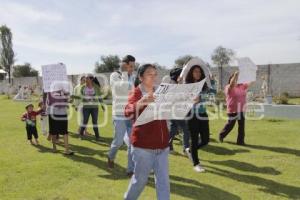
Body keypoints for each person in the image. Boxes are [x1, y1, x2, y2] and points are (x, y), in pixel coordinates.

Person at [124, 64, 170, 200]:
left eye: (155, 74)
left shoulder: (161, 92)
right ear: (141, 77)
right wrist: (141, 102)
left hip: (162, 146)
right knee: (140, 182)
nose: (154, 77)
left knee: (163, 182)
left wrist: (188, 101)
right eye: (150, 74)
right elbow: (127, 111)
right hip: (143, 148)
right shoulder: (136, 92)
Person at [108, 55, 136, 176]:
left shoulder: (133, 77)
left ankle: (130, 169)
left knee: (131, 143)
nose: (132, 69)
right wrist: (124, 73)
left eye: (133, 66)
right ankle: (111, 156)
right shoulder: (115, 75)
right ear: (124, 65)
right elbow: (122, 89)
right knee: (118, 141)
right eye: (130, 66)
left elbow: (132, 93)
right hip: (119, 114)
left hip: (130, 114)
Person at [218, 71, 253, 145]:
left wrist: (251, 74)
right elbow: (231, 84)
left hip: (241, 109)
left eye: (238, 79)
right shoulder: (228, 87)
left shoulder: (242, 86)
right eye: (234, 79)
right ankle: (221, 135)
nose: (236, 80)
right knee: (231, 124)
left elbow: (250, 82)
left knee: (241, 126)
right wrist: (235, 75)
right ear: (231, 79)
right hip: (232, 110)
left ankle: (240, 141)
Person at [167, 67, 190, 154]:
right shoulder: (175, 85)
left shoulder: (172, 84)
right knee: (186, 129)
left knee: (173, 129)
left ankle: (169, 147)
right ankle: (186, 148)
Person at [47, 90, 73, 155]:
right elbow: (46, 98)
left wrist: (67, 100)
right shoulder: (48, 86)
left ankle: (66, 150)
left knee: (64, 131)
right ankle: (54, 147)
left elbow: (67, 98)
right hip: (52, 111)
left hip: (62, 111)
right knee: (53, 130)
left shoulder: (63, 87)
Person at [78, 74, 104, 140]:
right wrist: (84, 99)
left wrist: (102, 105)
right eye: (85, 79)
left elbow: (100, 97)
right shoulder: (83, 87)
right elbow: (80, 96)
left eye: (87, 78)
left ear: (91, 79)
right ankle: (81, 135)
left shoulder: (96, 87)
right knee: (85, 121)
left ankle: (97, 137)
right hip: (86, 107)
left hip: (94, 107)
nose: (85, 80)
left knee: (95, 122)